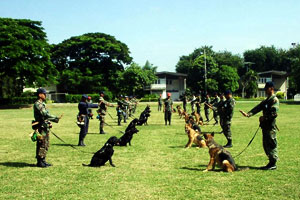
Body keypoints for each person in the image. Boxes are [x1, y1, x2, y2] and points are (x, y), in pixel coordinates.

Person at [240, 82, 279, 170]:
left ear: (271, 88)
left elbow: (274, 114)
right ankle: (270, 162)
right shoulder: (267, 100)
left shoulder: (274, 100)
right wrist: (248, 114)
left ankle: (273, 163)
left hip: (270, 127)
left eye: (267, 88)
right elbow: (258, 108)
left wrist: (264, 118)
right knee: (266, 144)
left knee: (271, 144)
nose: (265, 90)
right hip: (265, 126)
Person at [33, 88, 62, 168]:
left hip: (45, 126)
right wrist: (56, 118)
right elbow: (45, 114)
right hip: (41, 127)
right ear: (40, 95)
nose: (45, 95)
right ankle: (40, 161)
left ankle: (43, 160)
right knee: (41, 143)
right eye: (44, 93)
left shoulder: (42, 104)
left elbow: (46, 117)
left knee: (46, 143)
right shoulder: (38, 104)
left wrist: (50, 122)